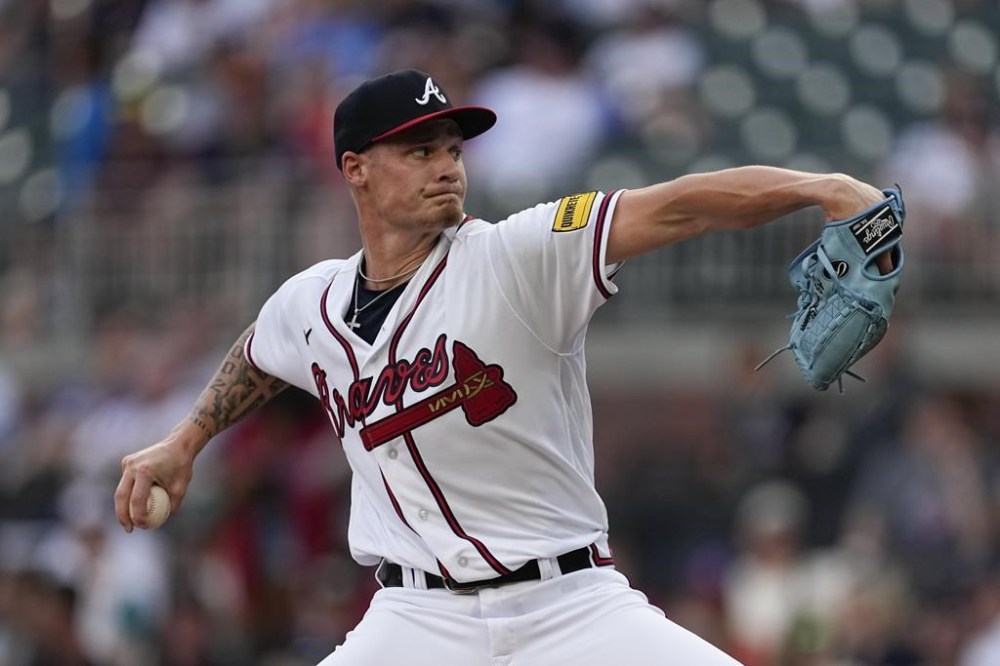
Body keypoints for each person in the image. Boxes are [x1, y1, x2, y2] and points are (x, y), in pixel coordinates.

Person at [114, 68, 889, 664]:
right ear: (355, 169)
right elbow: (260, 349)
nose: (446, 166)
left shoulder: (519, 255)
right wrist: (184, 441)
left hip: (570, 607)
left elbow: (678, 204)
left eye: (452, 149)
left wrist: (817, 188)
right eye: (418, 151)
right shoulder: (311, 303)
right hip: (416, 622)